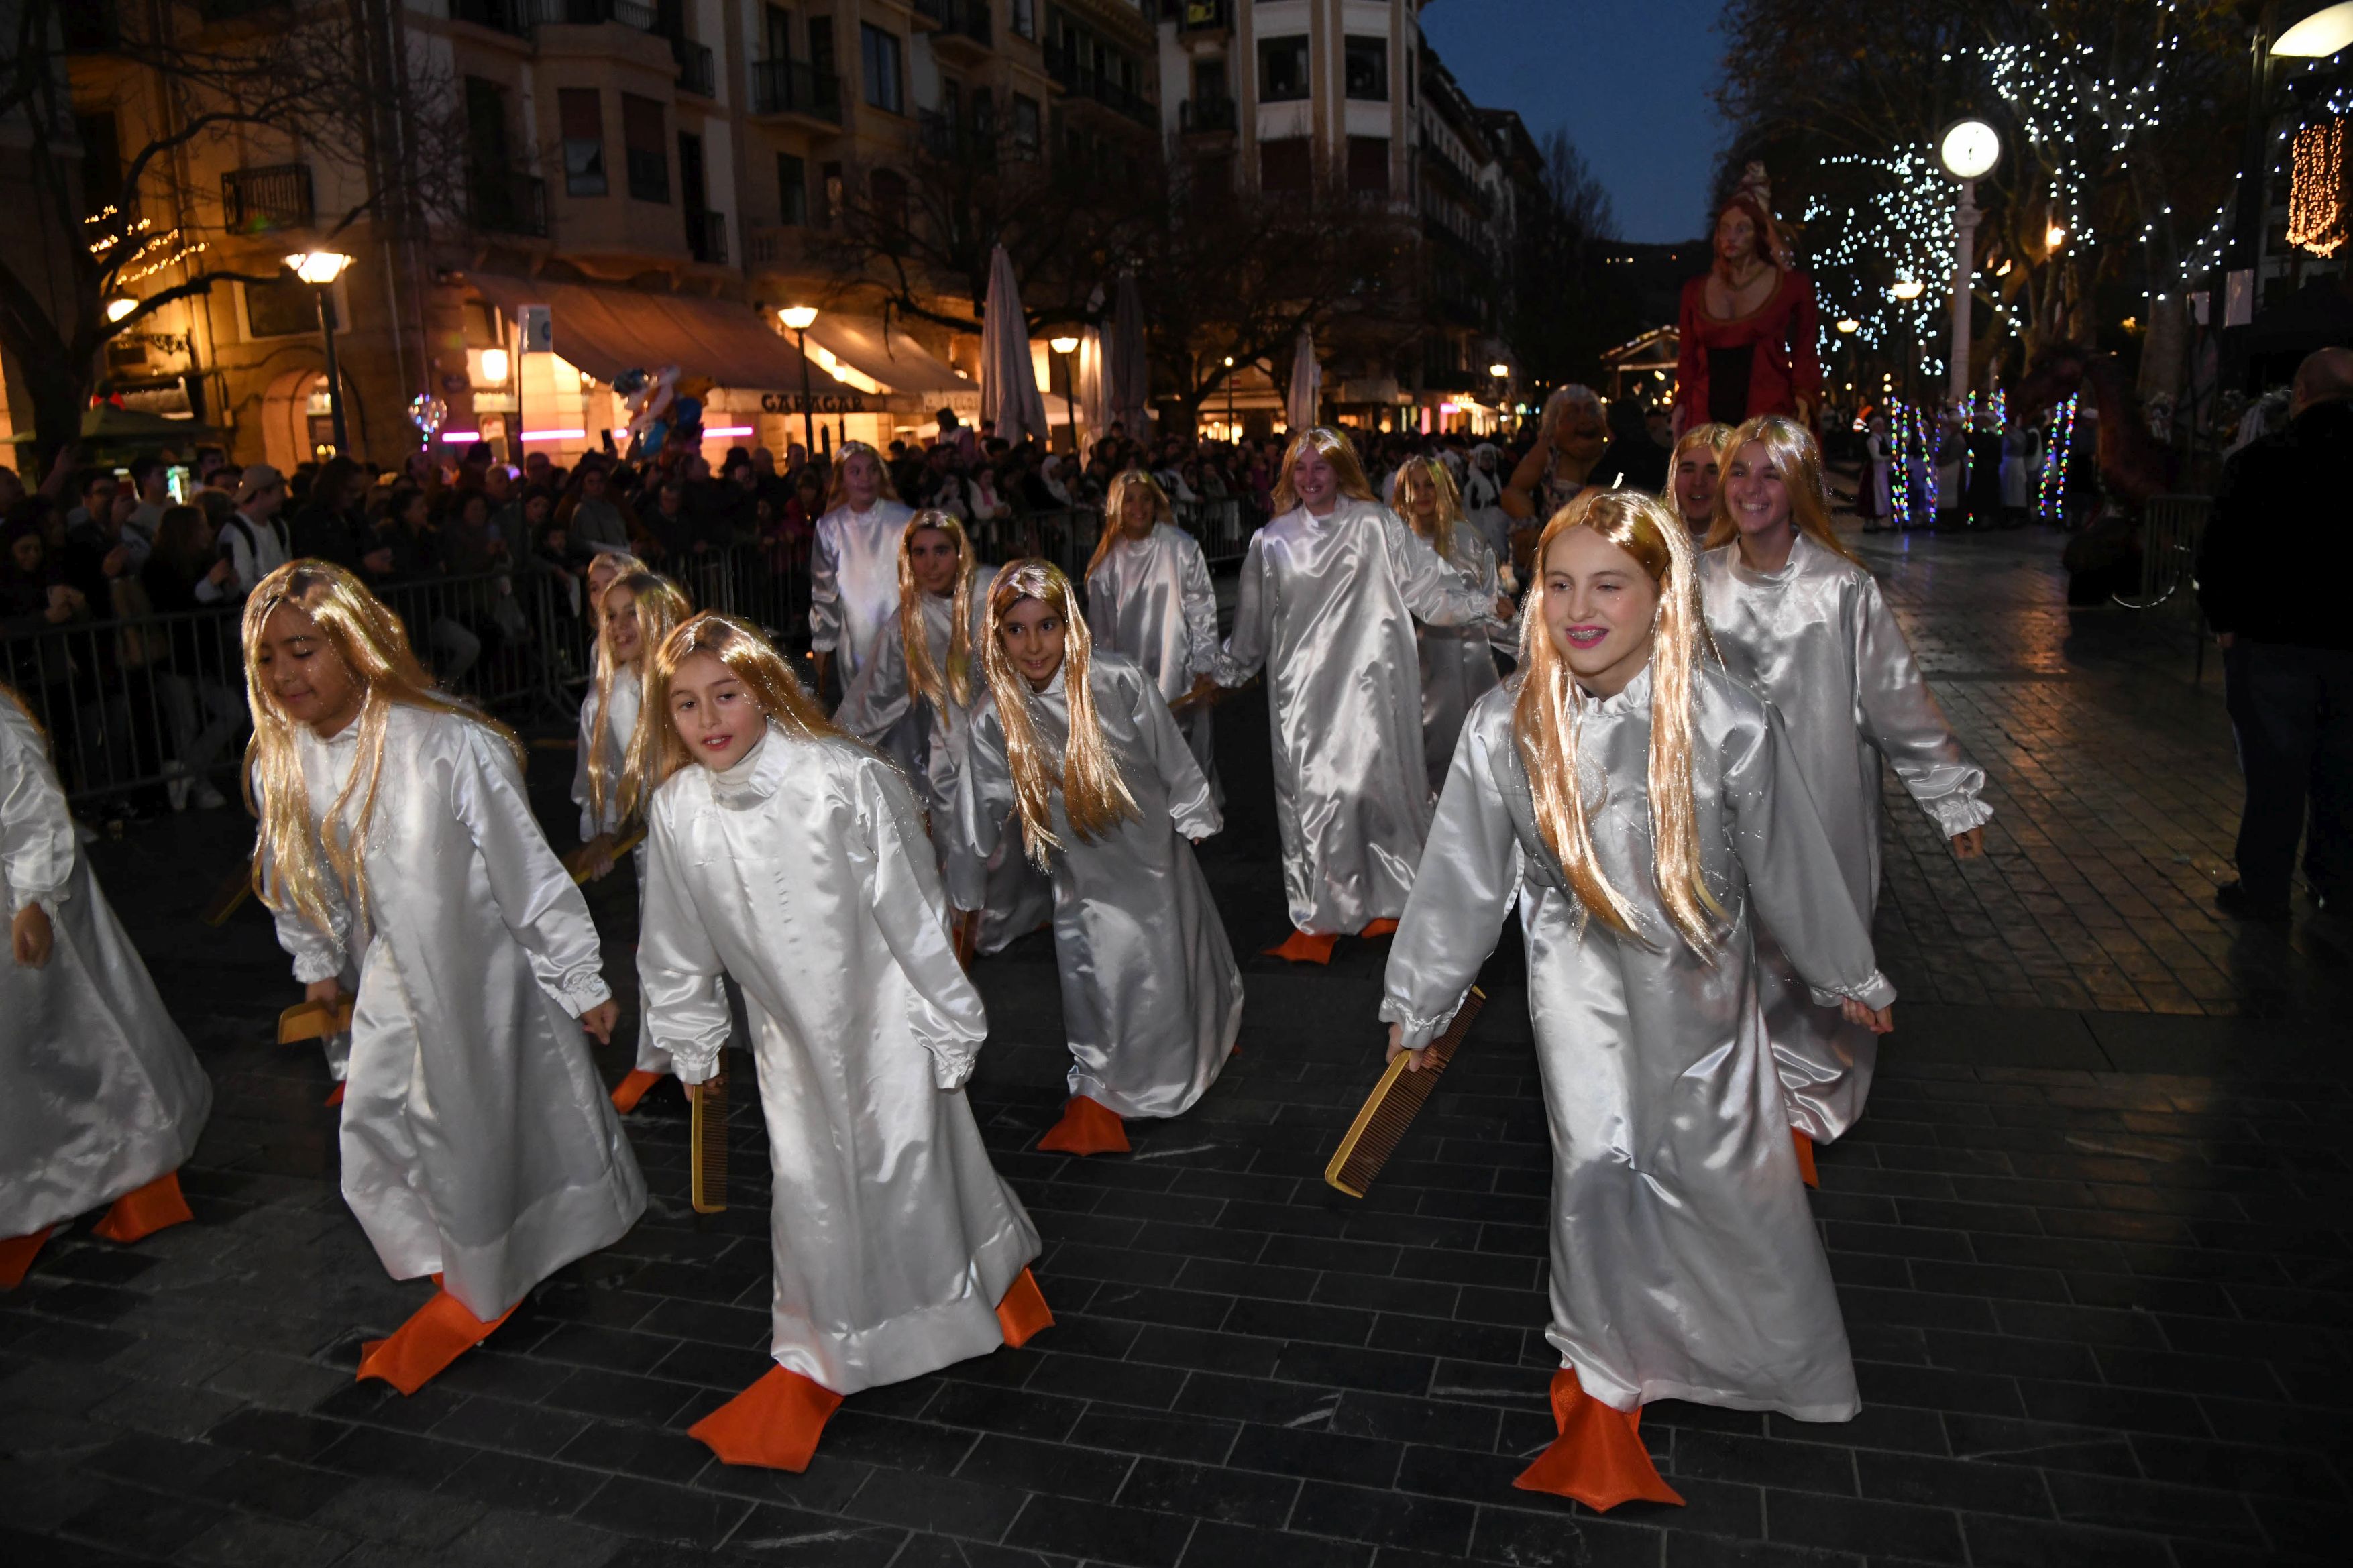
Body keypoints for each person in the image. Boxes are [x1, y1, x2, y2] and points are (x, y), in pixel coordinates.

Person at [1380, 489, 1894, 1511]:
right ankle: (1609, 1378)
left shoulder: (1723, 717)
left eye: (1609, 585)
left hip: (1700, 990)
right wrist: (1421, 996)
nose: (1581, 607)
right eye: (1559, 584)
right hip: (1573, 990)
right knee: (1601, 1162)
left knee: (1719, 1165)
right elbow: (1461, 876)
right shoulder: (1506, 721)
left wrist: (1847, 973)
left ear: (1663, 595)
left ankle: (1755, 1350)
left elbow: (1791, 858)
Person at [634, 612, 1049, 1473]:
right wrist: (692, 1039)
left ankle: (953, 1296)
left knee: (909, 1159)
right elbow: (672, 938)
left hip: (884, 1014)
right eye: (684, 704)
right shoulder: (678, 810)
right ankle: (839, 1337)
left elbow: (912, 905)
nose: (708, 719)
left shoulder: (838, 779)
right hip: (787, 1037)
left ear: (766, 691)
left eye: (726, 695)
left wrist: (945, 1009)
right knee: (813, 1182)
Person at [245, 561, 643, 1394]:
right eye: (269, 658)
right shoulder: (283, 760)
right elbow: (293, 869)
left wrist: (577, 974)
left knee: (479, 1112)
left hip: (482, 968)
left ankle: (489, 1264)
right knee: (385, 1117)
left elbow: (523, 865)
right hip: (392, 971)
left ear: (354, 641)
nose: (287, 675)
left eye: (304, 649)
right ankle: (460, 1249)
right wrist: (316, 964)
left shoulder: (444, 741)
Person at [1698, 417, 1988, 1167]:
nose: (1751, 490)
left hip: (1820, 794)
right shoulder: (1697, 583)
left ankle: (1809, 1105)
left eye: (1770, 475)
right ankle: (1742, 1102)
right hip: (1723, 802)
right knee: (1732, 944)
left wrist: (1948, 796)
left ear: (1798, 487)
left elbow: (1896, 698)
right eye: (1739, 473)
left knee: (1814, 944)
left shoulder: (1840, 589)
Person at [956, 562, 1241, 1155]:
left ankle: (1199, 1038)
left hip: (1149, 848)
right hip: (1080, 871)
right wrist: (964, 885)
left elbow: (1167, 748)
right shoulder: (995, 718)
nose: (1033, 645)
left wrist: (1192, 810)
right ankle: (1101, 1085)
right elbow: (976, 803)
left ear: (1070, 624)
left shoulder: (1116, 680)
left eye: (1047, 626)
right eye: (1016, 630)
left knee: (1171, 948)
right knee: (1094, 964)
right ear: (997, 634)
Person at [1214, 429, 1510, 963]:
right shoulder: (1273, 540)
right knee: (1315, 798)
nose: (1310, 479)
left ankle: (1392, 901)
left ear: (1340, 471)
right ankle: (1319, 916)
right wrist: (1226, 671)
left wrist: (1484, 606)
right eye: (1300, 469)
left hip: (1377, 684)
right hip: (1303, 693)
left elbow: (1426, 585)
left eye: (1320, 468)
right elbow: (1253, 623)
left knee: (1385, 790)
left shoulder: (1375, 525)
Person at [1, 681, 213, 1289]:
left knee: (82, 1034)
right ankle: (42, 1186)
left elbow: (32, 805)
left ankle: (133, 1164)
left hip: (26, 905)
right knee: (31, 1057)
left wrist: (34, 898)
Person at [834, 512, 1052, 955]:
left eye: (942, 551)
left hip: (1009, 739)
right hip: (950, 749)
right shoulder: (908, 622)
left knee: (1008, 839)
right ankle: (970, 926)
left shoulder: (994, 595)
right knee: (957, 835)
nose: (932, 563)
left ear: (960, 552)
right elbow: (875, 692)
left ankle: (1011, 918)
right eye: (920, 553)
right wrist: (831, 745)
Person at [2196, 345, 2353, 919]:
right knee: (2342, 773)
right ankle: (2336, 881)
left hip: (2272, 641)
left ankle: (2265, 885)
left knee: (2274, 774)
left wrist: (2227, 623)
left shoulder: (2261, 461)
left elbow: (2221, 550)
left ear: (2302, 395)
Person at [573, 571, 698, 1113]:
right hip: (657, 852)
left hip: (719, 841)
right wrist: (602, 833)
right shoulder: (606, 700)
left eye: (632, 613)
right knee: (662, 952)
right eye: (611, 614)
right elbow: (603, 778)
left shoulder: (691, 678)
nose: (620, 625)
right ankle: (665, 1058)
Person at [1085, 471, 1223, 804]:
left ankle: (1194, 816)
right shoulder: (1106, 566)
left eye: (1145, 498)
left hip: (1181, 672)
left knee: (1187, 749)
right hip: (1132, 680)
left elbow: (1201, 610)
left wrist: (1205, 664)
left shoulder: (1181, 548)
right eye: (1129, 499)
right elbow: (1101, 636)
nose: (1138, 507)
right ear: (1117, 506)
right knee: (1142, 758)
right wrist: (1103, 687)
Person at [1672, 166, 1822, 433]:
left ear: (1759, 234)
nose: (1731, 237)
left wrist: (1804, 394)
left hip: (1767, 413)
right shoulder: (1695, 291)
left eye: (1742, 229)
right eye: (1725, 228)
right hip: (1705, 418)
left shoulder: (1791, 286)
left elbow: (1805, 349)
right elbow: (1687, 358)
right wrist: (1681, 403)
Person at [1394, 457, 1502, 791]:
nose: (1424, 493)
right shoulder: (1394, 546)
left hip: (1471, 662)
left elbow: (1493, 600)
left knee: (1474, 751)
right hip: (1415, 663)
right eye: (1416, 486)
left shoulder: (1467, 539)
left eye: (1431, 484)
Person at [139, 506, 240, 811]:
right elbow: (176, 608)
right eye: (200, 528)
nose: (207, 534)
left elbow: (216, 607)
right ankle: (194, 781)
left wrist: (228, 588)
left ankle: (186, 773)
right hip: (176, 656)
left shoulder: (204, 561)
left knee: (231, 712)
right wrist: (209, 585)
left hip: (205, 656)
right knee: (186, 723)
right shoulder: (158, 566)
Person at [807, 441, 914, 701]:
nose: (865, 479)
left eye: (871, 470)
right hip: (856, 635)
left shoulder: (905, 521)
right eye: (855, 472)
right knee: (862, 704)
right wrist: (823, 641)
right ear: (842, 479)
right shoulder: (830, 527)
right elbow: (824, 590)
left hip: (903, 629)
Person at [1500, 388, 1610, 573]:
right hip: (1559, 551)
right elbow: (1514, 490)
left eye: (1592, 411)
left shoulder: (1613, 454)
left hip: (1604, 550)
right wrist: (1529, 523)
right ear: (1554, 426)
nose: (1584, 420)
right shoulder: (1549, 453)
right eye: (1572, 415)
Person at [1666, 423, 1735, 542]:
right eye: (1688, 470)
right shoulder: (1656, 546)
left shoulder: (1754, 554)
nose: (1698, 482)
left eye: (1713, 472)